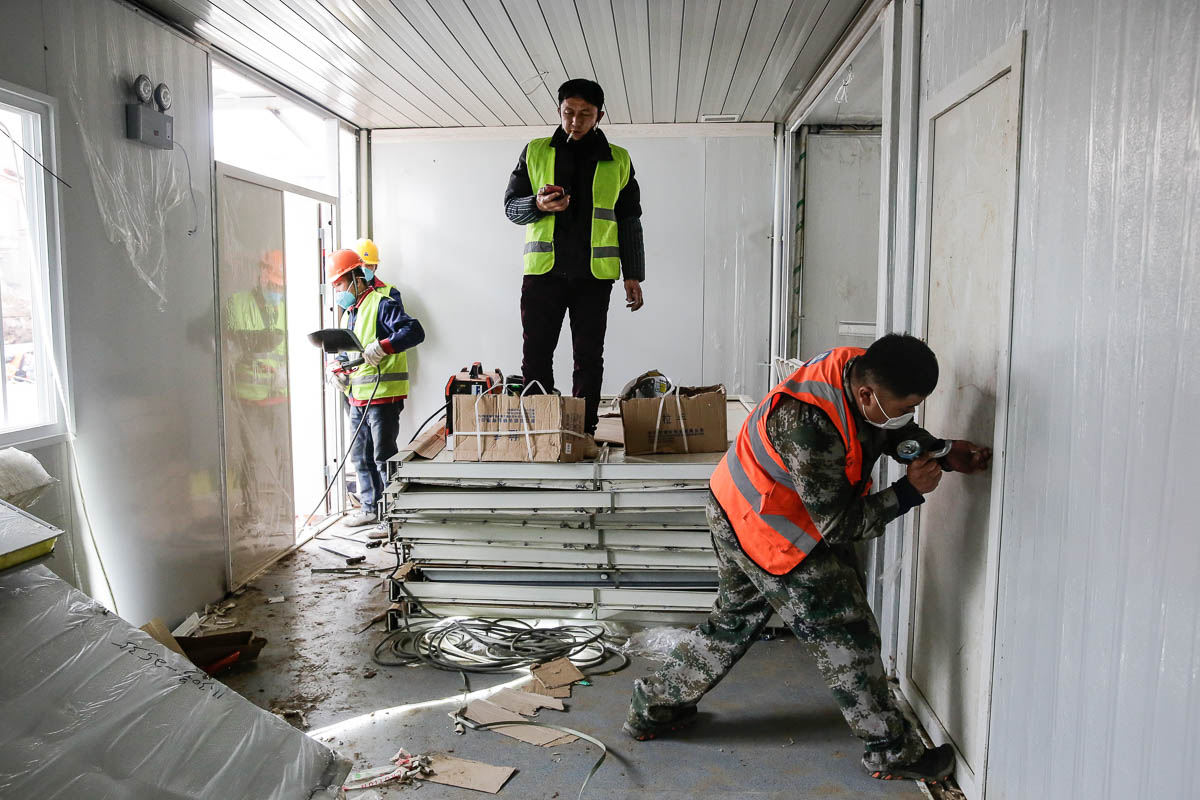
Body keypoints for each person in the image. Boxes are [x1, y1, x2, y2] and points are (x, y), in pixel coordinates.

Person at [624, 334, 993, 784]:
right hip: (768, 527)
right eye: (904, 407)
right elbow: (837, 526)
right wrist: (908, 492)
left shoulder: (859, 369)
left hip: (734, 502)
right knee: (846, 629)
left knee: (732, 622)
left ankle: (653, 707)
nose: (907, 415)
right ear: (866, 394)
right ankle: (892, 751)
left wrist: (939, 450)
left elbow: (883, 428)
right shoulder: (808, 426)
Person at [504, 78, 646, 450]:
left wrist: (633, 275)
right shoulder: (535, 151)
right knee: (535, 354)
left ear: (600, 115)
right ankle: (537, 429)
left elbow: (629, 220)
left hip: (594, 278)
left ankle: (583, 432)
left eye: (585, 114)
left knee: (588, 357)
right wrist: (537, 205)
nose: (575, 121)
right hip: (543, 274)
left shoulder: (619, 159)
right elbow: (510, 209)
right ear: (559, 111)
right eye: (568, 113)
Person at [326, 248, 425, 534]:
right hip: (357, 398)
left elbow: (414, 332)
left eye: (340, 285)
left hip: (383, 397)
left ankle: (390, 517)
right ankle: (369, 509)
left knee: (383, 457)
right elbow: (346, 353)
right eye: (334, 287)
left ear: (357, 277)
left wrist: (384, 346)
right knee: (360, 457)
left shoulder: (382, 303)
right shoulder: (349, 314)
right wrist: (337, 370)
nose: (338, 292)